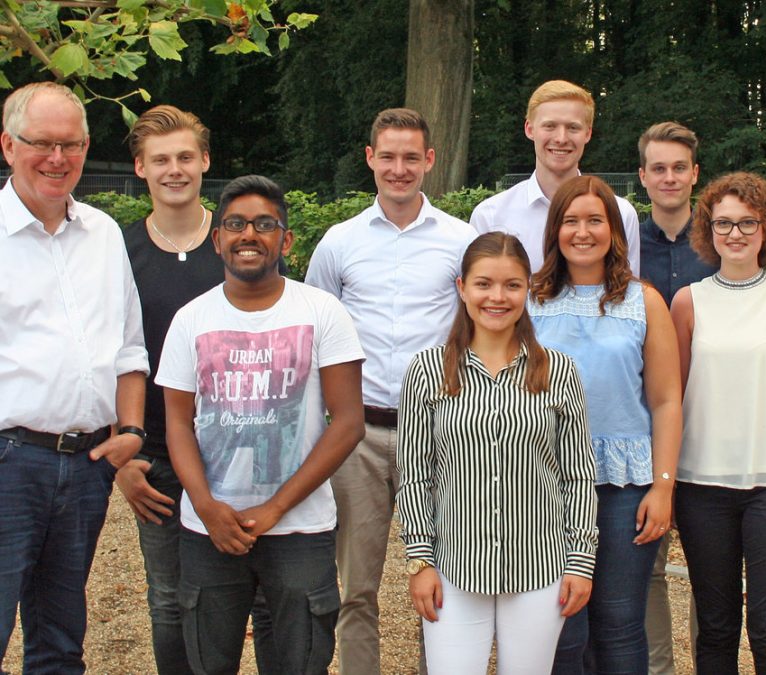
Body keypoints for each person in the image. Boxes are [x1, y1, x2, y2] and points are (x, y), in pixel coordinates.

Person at [156, 175, 366, 674]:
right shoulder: (191, 319)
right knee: (208, 661)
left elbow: (348, 422)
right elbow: (178, 425)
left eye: (264, 224)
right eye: (235, 224)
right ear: (218, 239)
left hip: (299, 527)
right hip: (209, 528)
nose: (248, 234)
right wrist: (206, 506)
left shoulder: (322, 312)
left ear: (285, 240)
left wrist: (275, 508)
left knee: (301, 662)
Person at [304, 107, 476, 674]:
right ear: (370, 159)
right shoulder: (338, 243)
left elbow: (478, 328)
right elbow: (315, 333)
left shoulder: (461, 240)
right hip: (361, 434)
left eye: (411, 157)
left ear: (428, 161)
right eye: (388, 156)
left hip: (443, 433)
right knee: (357, 584)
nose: (398, 169)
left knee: (450, 578)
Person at [397, 232, 599, 674]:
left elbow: (579, 476)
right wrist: (419, 562)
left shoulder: (558, 371)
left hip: (539, 568)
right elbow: (414, 475)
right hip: (454, 567)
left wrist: (581, 562)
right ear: (462, 288)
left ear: (528, 289)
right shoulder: (428, 371)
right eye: (484, 283)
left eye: (511, 285)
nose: (497, 297)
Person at [0, 81, 150, 673]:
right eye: (41, 143)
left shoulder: (104, 234)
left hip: (86, 468)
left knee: (61, 644)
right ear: (7, 145)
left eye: (72, 145)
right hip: (8, 461)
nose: (57, 159)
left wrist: (132, 430)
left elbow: (129, 348)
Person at [670, 171, 766, 673]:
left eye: (746, 223)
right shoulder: (689, 302)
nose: (734, 234)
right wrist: (667, 481)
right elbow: (673, 397)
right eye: (723, 224)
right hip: (702, 485)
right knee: (715, 628)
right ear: (708, 230)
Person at [529, 175, 681, 673]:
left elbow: (665, 401)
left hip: (624, 485)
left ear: (614, 230)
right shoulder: (529, 302)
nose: (583, 231)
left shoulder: (644, 302)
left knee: (618, 621)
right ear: (555, 231)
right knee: (561, 622)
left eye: (595, 220)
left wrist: (663, 488)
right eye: (571, 220)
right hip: (543, 484)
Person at [119, 104, 220, 675]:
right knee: (168, 599)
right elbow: (109, 355)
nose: (174, 169)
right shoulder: (119, 251)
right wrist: (122, 458)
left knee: (244, 594)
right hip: (153, 456)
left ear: (205, 161)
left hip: (233, 451)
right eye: (161, 159)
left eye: (185, 156)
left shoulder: (237, 244)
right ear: (140, 168)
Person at [634, 121, 716, 675]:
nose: (669, 177)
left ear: (695, 174)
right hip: (645, 425)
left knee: (713, 571)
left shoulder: (723, 240)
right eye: (658, 168)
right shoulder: (622, 244)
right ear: (642, 177)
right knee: (649, 570)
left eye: (678, 167)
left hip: (713, 422)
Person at [470, 80, 641, 275]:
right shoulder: (490, 216)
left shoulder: (620, 213)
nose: (561, 138)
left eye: (573, 128)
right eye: (550, 126)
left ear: (588, 133)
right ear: (529, 129)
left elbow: (627, 295)